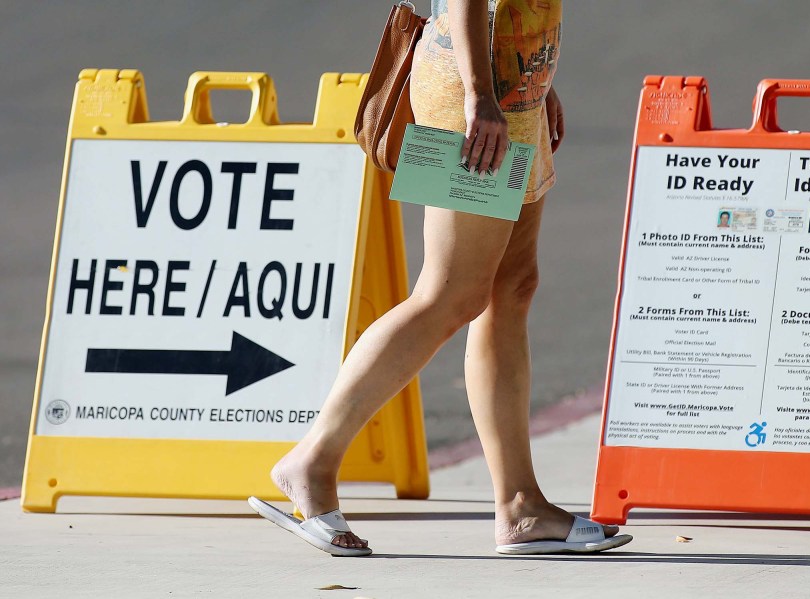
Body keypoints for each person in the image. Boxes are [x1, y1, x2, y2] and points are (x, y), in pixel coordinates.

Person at [249, 0, 631, 557]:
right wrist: (481, 92)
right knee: (448, 294)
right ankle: (312, 460)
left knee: (511, 290)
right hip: (470, 97)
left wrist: (534, 81)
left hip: (512, 90)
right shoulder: (475, 93)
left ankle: (521, 508)